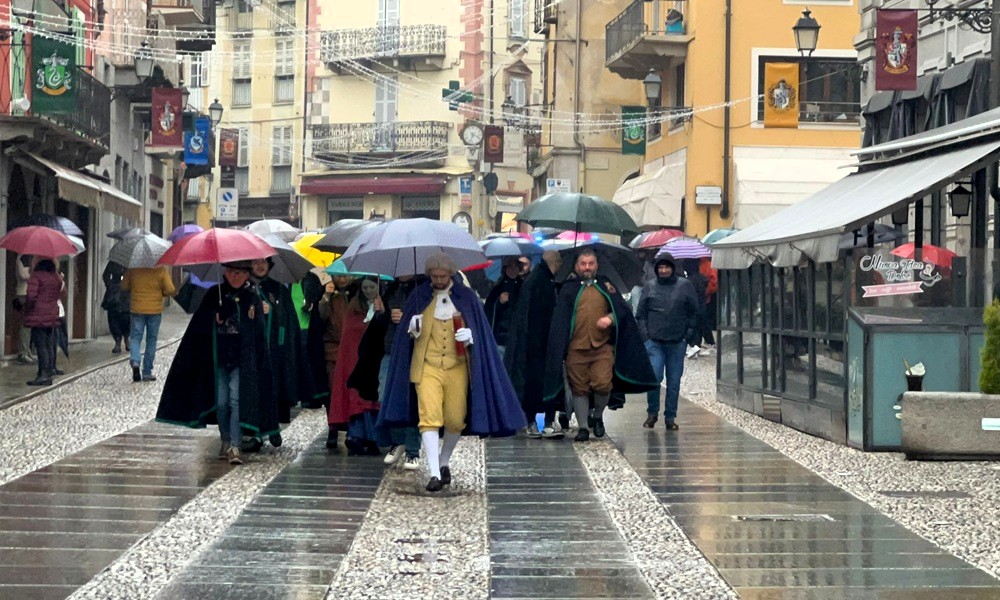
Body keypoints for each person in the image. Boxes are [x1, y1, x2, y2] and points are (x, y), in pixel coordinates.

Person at [378, 253, 526, 492]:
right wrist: (412, 327)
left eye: (442, 276)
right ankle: (434, 474)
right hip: (427, 366)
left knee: (455, 420)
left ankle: (444, 461)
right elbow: (405, 339)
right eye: (434, 276)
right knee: (429, 417)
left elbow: (481, 331)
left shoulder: (466, 297)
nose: (438, 280)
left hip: (458, 367)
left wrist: (471, 336)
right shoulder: (418, 296)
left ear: (450, 274)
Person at [156, 261, 277, 466]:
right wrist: (215, 318)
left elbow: (259, 333)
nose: (234, 276)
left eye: (239, 272)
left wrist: (254, 319)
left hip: (241, 360)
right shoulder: (215, 294)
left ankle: (235, 445)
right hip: (219, 359)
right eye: (230, 272)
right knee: (221, 402)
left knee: (235, 400)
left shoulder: (252, 297)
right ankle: (225, 439)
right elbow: (202, 326)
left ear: (247, 275)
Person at [543, 249, 657, 441]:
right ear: (577, 265)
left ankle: (597, 416)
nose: (587, 267)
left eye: (591, 263)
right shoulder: (568, 288)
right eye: (583, 263)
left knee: (603, 384)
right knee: (579, 389)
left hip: (602, 348)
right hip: (575, 349)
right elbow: (560, 320)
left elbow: (622, 310)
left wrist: (610, 318)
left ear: (596, 265)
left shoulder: (606, 285)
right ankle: (583, 428)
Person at [636, 252, 702, 430]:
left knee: (674, 381)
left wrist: (687, 335)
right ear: (656, 269)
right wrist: (646, 337)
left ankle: (670, 417)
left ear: (673, 268)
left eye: (667, 267)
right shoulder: (649, 286)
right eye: (661, 267)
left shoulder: (685, 286)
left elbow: (694, 312)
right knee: (655, 377)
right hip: (655, 341)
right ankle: (652, 413)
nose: (663, 270)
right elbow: (641, 314)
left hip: (676, 341)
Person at [504, 250, 564, 439]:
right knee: (538, 383)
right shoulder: (542, 282)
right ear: (555, 262)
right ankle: (537, 423)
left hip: (533, 343)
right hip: (538, 345)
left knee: (535, 383)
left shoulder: (537, 279)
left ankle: (538, 422)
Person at [329, 276, 389, 455]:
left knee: (372, 399)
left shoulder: (385, 305)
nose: (368, 291)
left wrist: (382, 314)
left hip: (376, 359)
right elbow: (350, 334)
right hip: (357, 361)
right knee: (357, 398)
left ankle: (373, 436)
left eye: (372, 287)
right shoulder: (354, 307)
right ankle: (356, 435)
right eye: (365, 288)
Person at [250, 257, 303, 448]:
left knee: (272, 391)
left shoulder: (279, 288)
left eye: (264, 261)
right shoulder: (245, 287)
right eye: (256, 262)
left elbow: (287, 318)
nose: (260, 265)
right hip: (252, 352)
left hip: (274, 352)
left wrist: (271, 310)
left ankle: (272, 428)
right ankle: (255, 433)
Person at [380, 276, 422, 469]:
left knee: (412, 400)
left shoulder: (422, 289)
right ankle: (397, 441)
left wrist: (408, 318)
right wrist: (383, 312)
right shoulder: (390, 289)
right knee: (389, 397)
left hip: (415, 351)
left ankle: (413, 449)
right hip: (391, 348)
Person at [121, 264, 176, 382]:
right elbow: (170, 289)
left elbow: (124, 286)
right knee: (151, 340)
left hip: (137, 309)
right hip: (154, 311)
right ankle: (146, 372)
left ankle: (135, 361)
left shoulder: (132, 269)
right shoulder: (161, 270)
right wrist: (162, 293)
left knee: (135, 338)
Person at [319, 274, 352, 448]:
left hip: (352, 351)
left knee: (351, 391)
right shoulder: (328, 295)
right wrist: (326, 297)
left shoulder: (355, 295)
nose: (343, 279)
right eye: (340, 275)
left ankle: (351, 428)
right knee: (333, 392)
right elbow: (322, 316)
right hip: (332, 350)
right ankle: (333, 427)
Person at [23, 259, 62, 386]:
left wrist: (26, 308)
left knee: (40, 346)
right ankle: (47, 371)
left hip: (38, 315)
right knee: (48, 344)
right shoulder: (56, 279)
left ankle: (43, 374)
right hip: (51, 314)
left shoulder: (36, 277)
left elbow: (31, 296)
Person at [483, 257, 524, 357]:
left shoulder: (524, 287)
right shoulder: (498, 287)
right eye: (509, 267)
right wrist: (499, 302)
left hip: (518, 336)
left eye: (515, 267)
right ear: (505, 269)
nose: (513, 270)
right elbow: (489, 311)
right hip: (500, 336)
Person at [101, 262, 131, 354]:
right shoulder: (113, 263)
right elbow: (105, 275)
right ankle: (117, 341)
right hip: (113, 294)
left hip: (127, 295)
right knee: (113, 318)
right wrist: (110, 286)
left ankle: (127, 339)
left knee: (127, 318)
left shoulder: (132, 264)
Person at [14, 254, 36, 364]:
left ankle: (27, 350)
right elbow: (23, 275)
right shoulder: (21, 259)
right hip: (23, 295)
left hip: (30, 295)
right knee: (25, 324)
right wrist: (32, 272)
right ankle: (22, 353)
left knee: (29, 325)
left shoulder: (30, 260)